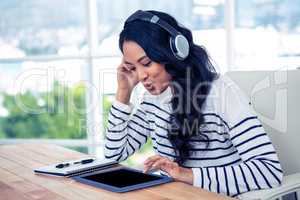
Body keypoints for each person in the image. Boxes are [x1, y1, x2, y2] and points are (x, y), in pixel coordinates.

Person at [104, 10, 283, 197]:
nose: (141, 76)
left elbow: (268, 171)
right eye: (133, 67)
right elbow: (113, 155)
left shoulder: (221, 92)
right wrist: (123, 92)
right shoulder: (152, 101)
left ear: (174, 52)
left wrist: (186, 175)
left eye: (147, 63)